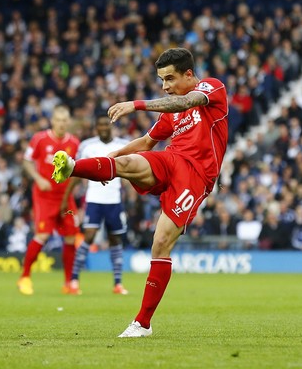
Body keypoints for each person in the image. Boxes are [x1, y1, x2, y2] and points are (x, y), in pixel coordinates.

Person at [52, 48, 228, 337]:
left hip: (196, 176)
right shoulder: (173, 110)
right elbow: (146, 143)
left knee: (160, 244)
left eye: (169, 79)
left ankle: (142, 324)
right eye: (161, 80)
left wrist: (136, 104)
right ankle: (71, 167)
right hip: (171, 160)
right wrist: (112, 160)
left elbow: (187, 100)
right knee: (126, 164)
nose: (165, 86)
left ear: (188, 74)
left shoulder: (212, 87)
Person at [61, 114, 130, 296]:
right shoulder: (87, 146)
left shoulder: (123, 145)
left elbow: (131, 170)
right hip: (94, 199)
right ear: (96, 128)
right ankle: (74, 281)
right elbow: (75, 172)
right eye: (100, 124)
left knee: (115, 239)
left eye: (106, 124)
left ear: (111, 126)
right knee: (88, 236)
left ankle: (118, 283)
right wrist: (65, 199)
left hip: (114, 200)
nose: (103, 127)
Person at [17, 105, 80, 295]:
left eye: (64, 120)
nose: (61, 124)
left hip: (65, 197)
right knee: (42, 235)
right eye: (58, 120)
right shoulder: (40, 139)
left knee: (70, 236)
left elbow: (77, 170)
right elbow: (27, 161)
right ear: (52, 121)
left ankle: (68, 282)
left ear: (68, 122)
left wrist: (71, 189)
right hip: (45, 196)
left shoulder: (75, 143)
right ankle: (25, 277)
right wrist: (38, 178)